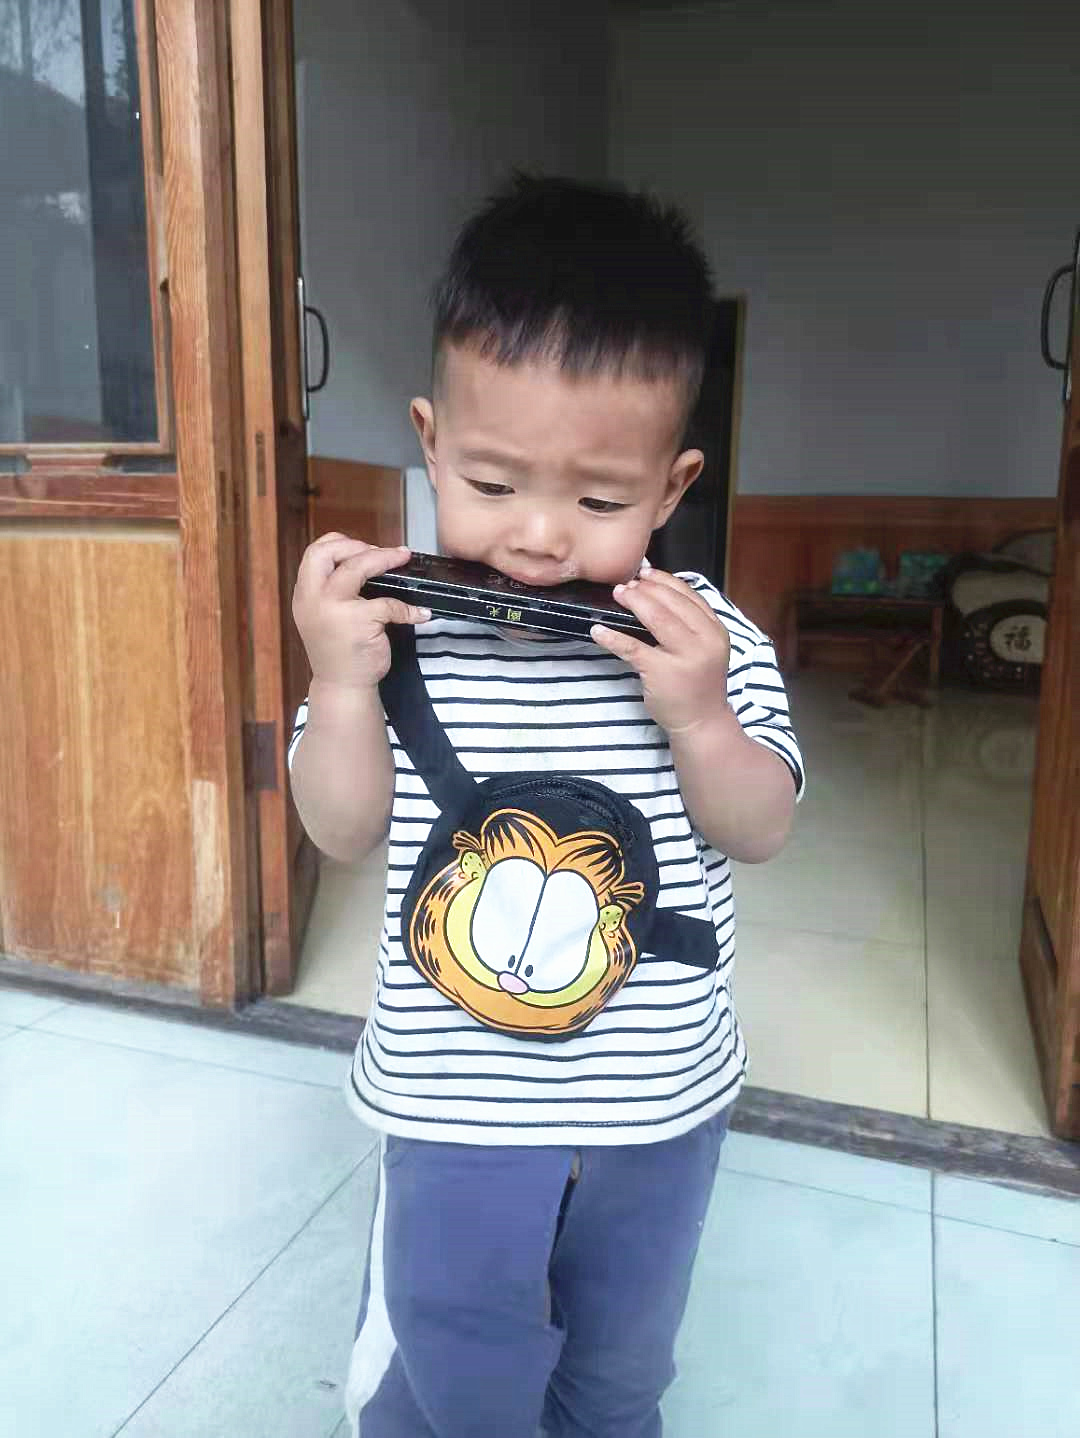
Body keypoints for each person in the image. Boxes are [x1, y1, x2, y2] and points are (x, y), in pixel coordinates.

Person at [288, 174, 804, 1438]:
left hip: (656, 1105)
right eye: (492, 480)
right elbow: (341, 831)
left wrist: (700, 718)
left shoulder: (710, 642)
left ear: (673, 487)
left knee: (621, 1368)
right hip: (454, 1103)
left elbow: (759, 828)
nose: (536, 537)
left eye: (600, 500)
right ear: (429, 442)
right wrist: (338, 685)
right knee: (456, 1357)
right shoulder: (392, 637)